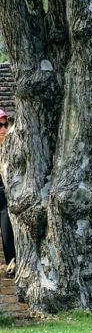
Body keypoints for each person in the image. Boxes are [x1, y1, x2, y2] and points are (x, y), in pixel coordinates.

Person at [0, 109, 15, 278]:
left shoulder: (11, 148)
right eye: (0, 125)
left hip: (5, 194)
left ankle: (12, 266)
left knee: (7, 233)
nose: (3, 128)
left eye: (5, 124)